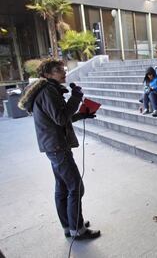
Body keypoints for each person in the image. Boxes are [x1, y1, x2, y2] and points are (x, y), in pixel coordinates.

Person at [18, 59, 100, 240]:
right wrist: (76, 97)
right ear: (47, 74)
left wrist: (81, 114)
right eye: (58, 70)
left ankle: (69, 224)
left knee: (62, 187)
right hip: (57, 147)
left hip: (53, 145)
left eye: (63, 69)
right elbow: (61, 118)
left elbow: (57, 118)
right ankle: (77, 230)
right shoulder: (48, 91)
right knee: (76, 187)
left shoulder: (47, 89)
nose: (63, 73)